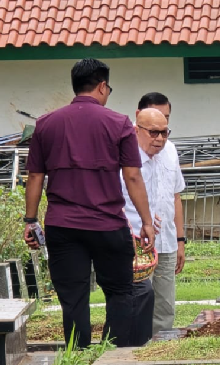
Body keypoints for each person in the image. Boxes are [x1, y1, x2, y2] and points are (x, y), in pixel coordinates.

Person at [23, 58, 156, 348]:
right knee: (120, 293)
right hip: (108, 224)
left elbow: (34, 176)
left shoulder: (46, 124)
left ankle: (78, 355)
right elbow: (132, 177)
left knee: (73, 298)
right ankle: (114, 354)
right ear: (102, 86)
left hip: (63, 226)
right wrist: (146, 222)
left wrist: (30, 221)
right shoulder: (119, 123)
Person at [122, 94, 186, 335]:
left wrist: (180, 240)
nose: (160, 138)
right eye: (153, 132)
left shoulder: (171, 151)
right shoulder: (123, 154)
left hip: (167, 241)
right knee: (136, 301)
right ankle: (134, 348)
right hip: (135, 243)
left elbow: (176, 196)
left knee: (165, 305)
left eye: (165, 130)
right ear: (138, 124)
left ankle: (161, 350)